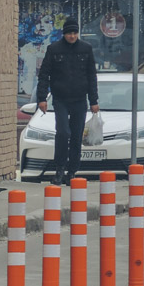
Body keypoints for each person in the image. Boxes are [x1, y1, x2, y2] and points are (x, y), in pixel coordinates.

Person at [36, 18, 100, 185]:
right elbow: (44, 75)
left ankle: (72, 171)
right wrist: (41, 98)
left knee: (77, 135)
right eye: (69, 33)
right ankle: (59, 168)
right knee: (63, 133)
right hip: (61, 99)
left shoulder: (86, 49)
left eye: (74, 33)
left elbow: (91, 76)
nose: (72, 36)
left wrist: (94, 100)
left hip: (80, 99)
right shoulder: (54, 49)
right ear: (64, 34)